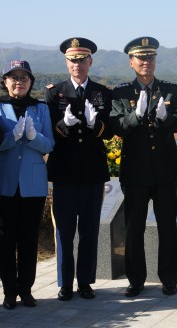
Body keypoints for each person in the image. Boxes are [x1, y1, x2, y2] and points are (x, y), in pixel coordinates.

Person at [109, 37, 177, 298]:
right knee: (133, 228)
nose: (146, 62)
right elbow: (117, 127)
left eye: (150, 57)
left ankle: (168, 278)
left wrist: (166, 118)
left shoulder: (170, 90)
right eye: (141, 58)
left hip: (164, 170)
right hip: (136, 172)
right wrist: (136, 116)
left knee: (167, 226)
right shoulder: (119, 93)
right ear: (131, 62)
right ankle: (136, 279)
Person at [45, 38, 113, 301]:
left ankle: (85, 282)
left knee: (89, 231)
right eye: (73, 60)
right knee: (64, 231)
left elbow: (107, 133)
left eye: (82, 60)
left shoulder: (102, 92)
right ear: (67, 63)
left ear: (90, 62)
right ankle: (65, 284)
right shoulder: (54, 93)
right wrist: (64, 124)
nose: (78, 65)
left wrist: (96, 125)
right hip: (64, 173)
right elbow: (50, 130)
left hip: (93, 173)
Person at [0, 60, 54, 309]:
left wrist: (33, 137)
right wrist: (12, 137)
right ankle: (9, 291)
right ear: (5, 82)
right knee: (5, 240)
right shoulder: (0, 107)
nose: (19, 82)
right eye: (14, 77)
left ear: (31, 82)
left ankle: (26, 290)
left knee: (29, 239)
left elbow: (49, 145)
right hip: (6, 182)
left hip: (33, 184)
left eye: (24, 78)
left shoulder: (40, 109)